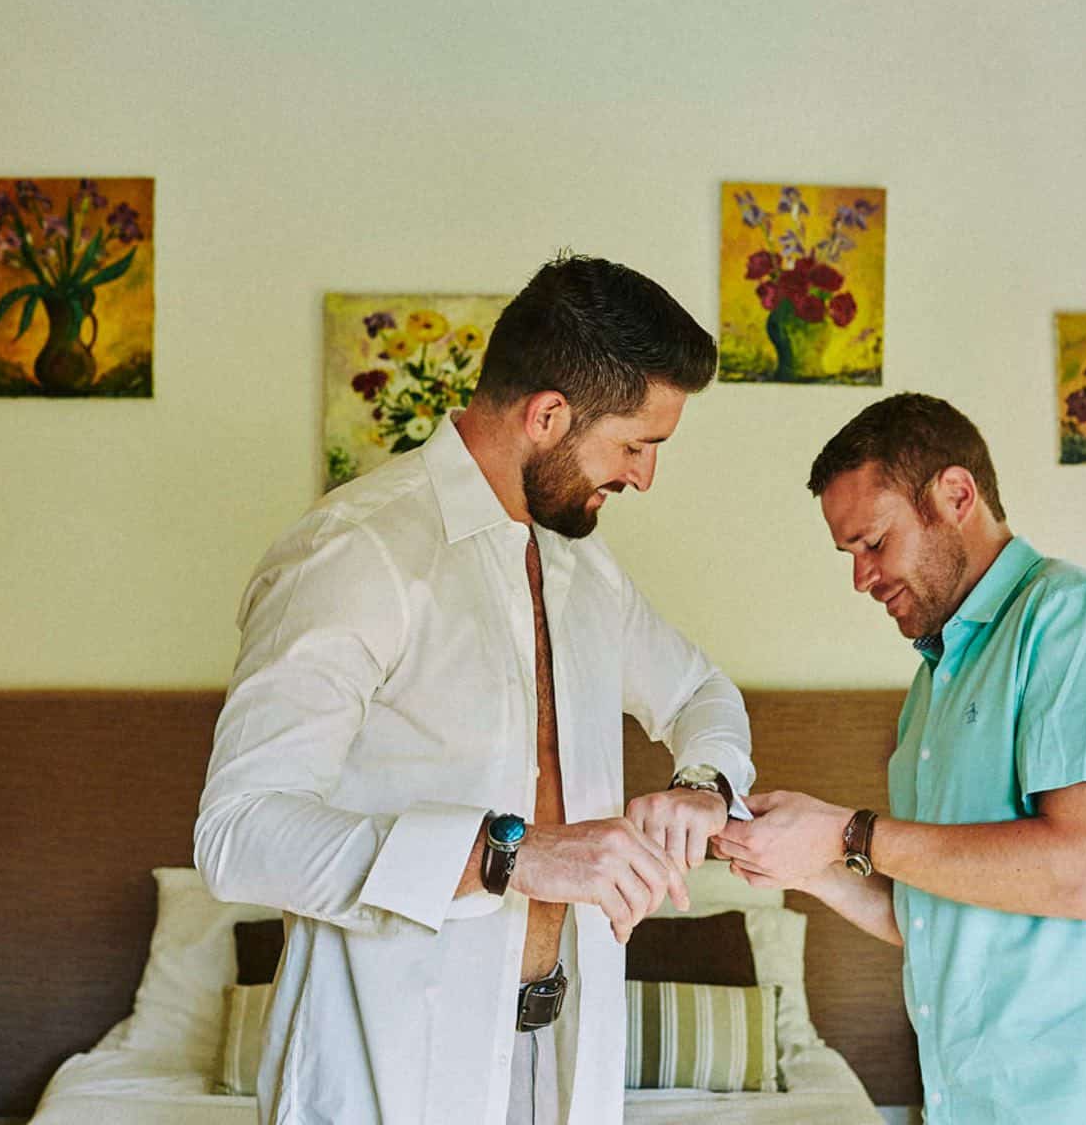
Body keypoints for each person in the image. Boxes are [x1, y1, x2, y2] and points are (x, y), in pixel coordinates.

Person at [196, 255, 754, 1125]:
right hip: (387, 1069)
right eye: (636, 445)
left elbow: (700, 692)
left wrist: (703, 784)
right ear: (548, 416)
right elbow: (239, 834)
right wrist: (512, 855)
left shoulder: (582, 565)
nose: (644, 477)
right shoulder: (356, 554)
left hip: (563, 1063)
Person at [714, 393, 1086, 1125]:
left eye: (874, 543)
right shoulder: (933, 685)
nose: (861, 578)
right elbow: (936, 916)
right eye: (850, 555)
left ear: (956, 496)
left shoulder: (1071, 619)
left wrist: (849, 833)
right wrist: (805, 864)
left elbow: (1084, 873)